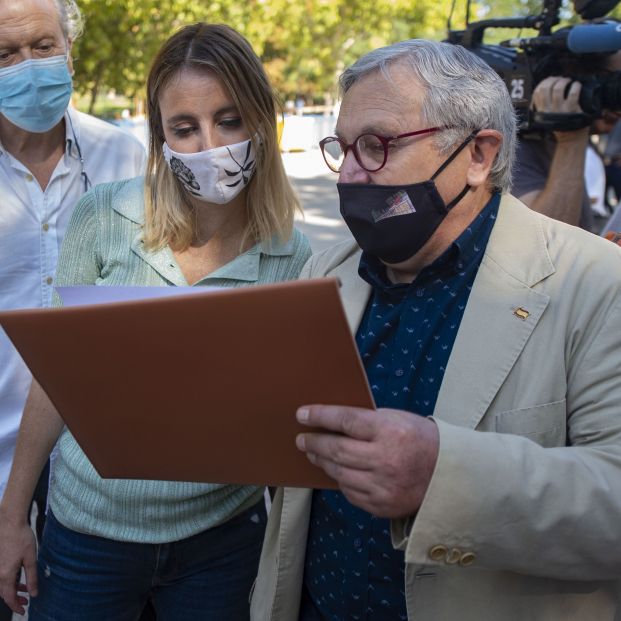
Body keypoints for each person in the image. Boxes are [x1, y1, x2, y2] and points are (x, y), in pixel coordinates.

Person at [250, 39, 621, 621]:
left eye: (375, 147)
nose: (349, 173)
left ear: (478, 155)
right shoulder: (328, 270)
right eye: (341, 148)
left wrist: (441, 477)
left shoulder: (599, 285)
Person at [0, 22, 311, 621]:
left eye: (229, 120)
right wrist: (13, 517)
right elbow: (56, 379)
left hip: (220, 545)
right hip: (88, 538)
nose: (208, 146)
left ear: (262, 122)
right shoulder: (105, 217)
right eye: (184, 128)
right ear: (160, 136)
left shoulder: (294, 256)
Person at [0, 1, 145, 618]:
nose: (27, 66)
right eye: (4, 54)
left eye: (40, 46)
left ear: (70, 47)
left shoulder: (128, 158)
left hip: (102, 477)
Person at [512, 49, 621, 232]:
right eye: (613, 83)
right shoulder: (515, 147)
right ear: (563, 85)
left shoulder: (562, 140)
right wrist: (572, 137)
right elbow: (549, 240)